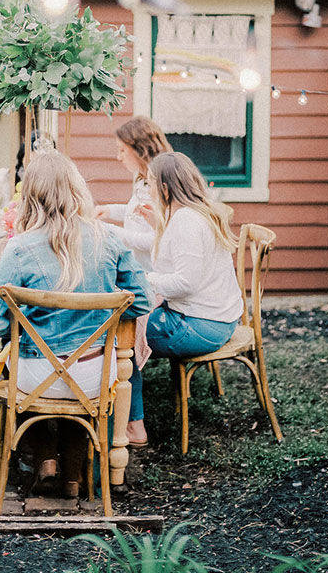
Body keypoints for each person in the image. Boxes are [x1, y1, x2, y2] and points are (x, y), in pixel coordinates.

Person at [0, 150, 152, 499]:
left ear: (30, 196)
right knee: (80, 383)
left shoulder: (18, 249)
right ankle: (74, 476)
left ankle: (46, 461)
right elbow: (142, 299)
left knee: (35, 370)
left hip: (33, 378)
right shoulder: (110, 239)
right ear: (77, 190)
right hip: (94, 374)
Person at [127, 151, 244, 447]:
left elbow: (185, 282)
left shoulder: (187, 221)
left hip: (201, 325)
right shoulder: (194, 214)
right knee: (131, 327)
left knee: (122, 340)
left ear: (165, 188)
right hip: (218, 318)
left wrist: (143, 280)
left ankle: (133, 426)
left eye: (151, 183)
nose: (148, 188)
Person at [95, 116, 172, 270]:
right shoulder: (143, 180)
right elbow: (139, 212)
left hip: (155, 277)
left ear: (141, 150)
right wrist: (109, 211)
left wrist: (108, 230)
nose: (119, 157)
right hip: (140, 271)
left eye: (122, 150)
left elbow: (154, 240)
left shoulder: (161, 185)